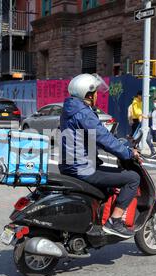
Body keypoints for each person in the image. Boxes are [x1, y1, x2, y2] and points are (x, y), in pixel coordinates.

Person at [59, 73, 141, 238]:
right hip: (83, 169)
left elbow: (89, 138)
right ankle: (114, 222)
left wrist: (119, 144)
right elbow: (103, 138)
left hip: (70, 166)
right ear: (88, 95)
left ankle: (97, 217)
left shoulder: (69, 110)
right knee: (132, 178)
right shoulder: (83, 113)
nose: (97, 95)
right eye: (95, 92)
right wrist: (127, 153)